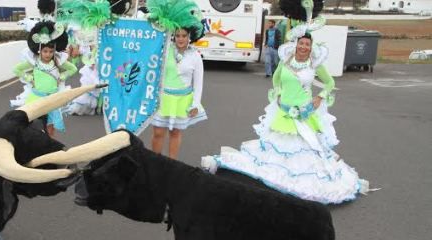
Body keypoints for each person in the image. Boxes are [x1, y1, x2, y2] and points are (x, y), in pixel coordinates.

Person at [202, 32, 370, 204]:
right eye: (301, 43)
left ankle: (297, 185)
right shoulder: (286, 61)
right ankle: (278, 182)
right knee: (276, 151)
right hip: (284, 113)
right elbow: (276, 80)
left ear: (311, 47)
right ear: (296, 44)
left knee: (304, 153)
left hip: (304, 114)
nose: (304, 47)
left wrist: (320, 97)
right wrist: (279, 94)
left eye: (307, 44)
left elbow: (330, 83)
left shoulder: (315, 64)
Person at [10, 21, 77, 138]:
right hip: (36, 98)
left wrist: (62, 76)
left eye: (51, 51)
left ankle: (48, 148)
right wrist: (29, 78)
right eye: (45, 51)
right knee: (33, 126)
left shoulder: (57, 61)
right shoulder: (34, 62)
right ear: (39, 50)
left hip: (52, 99)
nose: (48, 54)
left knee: (50, 128)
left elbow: (73, 69)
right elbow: (16, 69)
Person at [151, 27, 207, 159]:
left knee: (175, 133)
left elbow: (198, 83)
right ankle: (154, 163)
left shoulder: (195, 56)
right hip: (163, 98)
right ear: (173, 36)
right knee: (158, 132)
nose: (180, 39)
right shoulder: (165, 50)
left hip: (182, 100)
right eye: (177, 36)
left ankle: (171, 166)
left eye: (184, 36)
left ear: (189, 37)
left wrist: (196, 104)